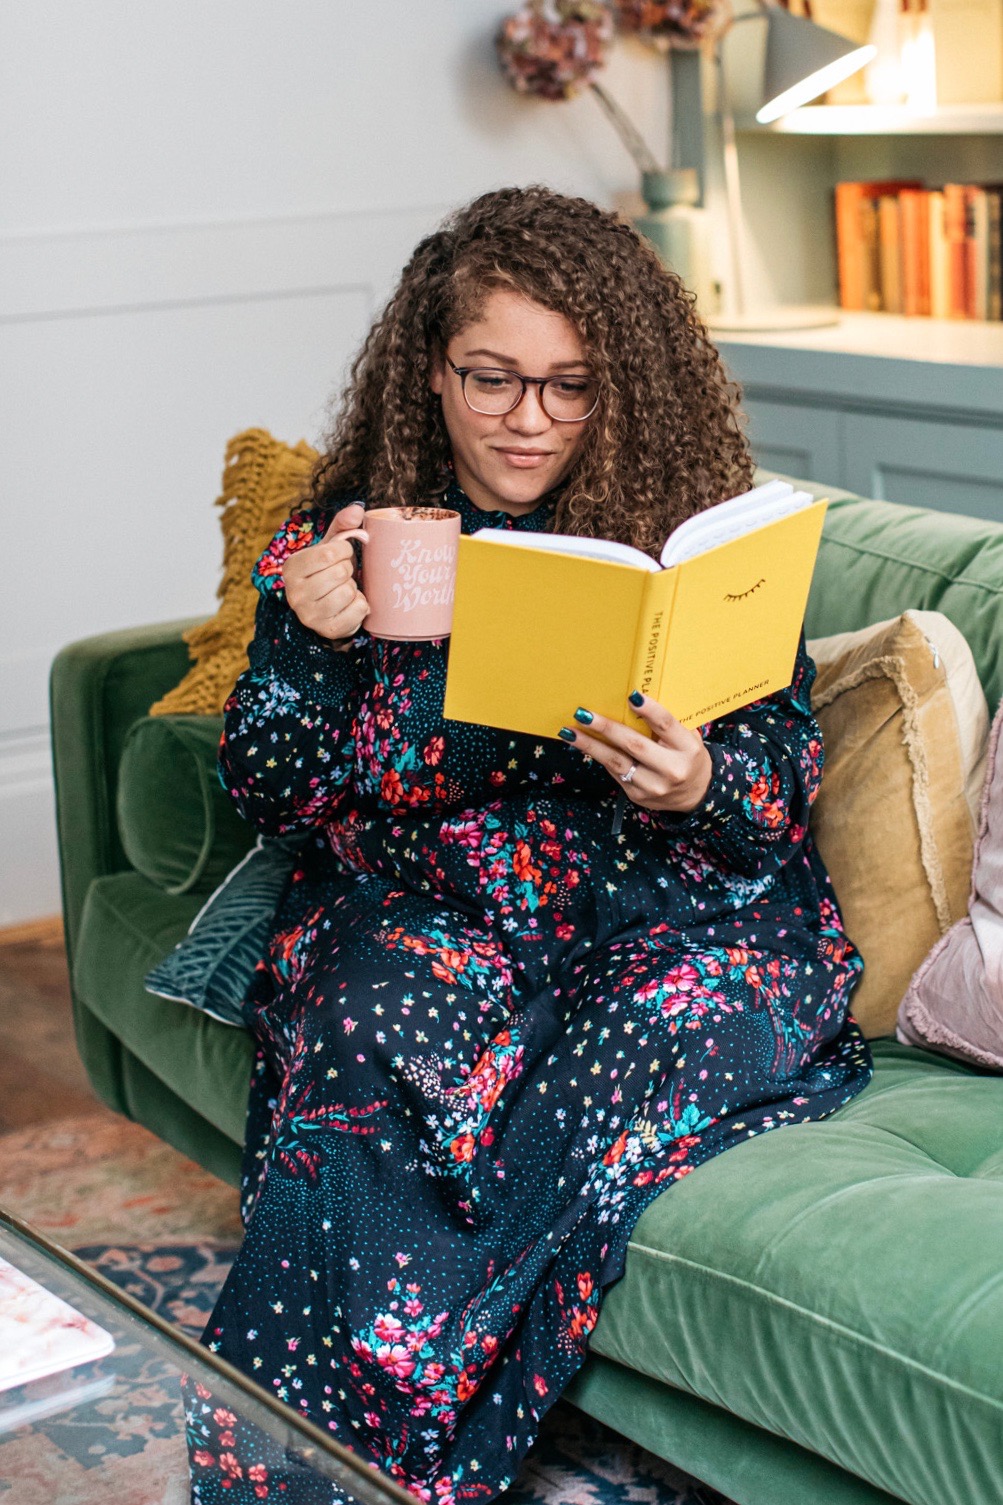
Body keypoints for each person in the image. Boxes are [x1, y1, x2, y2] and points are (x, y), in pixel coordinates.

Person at [188, 186, 871, 1504]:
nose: (528, 419)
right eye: (492, 376)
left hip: (670, 915)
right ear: (429, 369)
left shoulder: (690, 533)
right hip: (434, 907)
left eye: (572, 386)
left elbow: (778, 789)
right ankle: (290, 1459)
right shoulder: (351, 538)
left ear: (624, 386)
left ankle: (388, 1447)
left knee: (672, 1032)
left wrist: (699, 781)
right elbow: (271, 793)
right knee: (368, 1028)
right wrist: (305, 646)